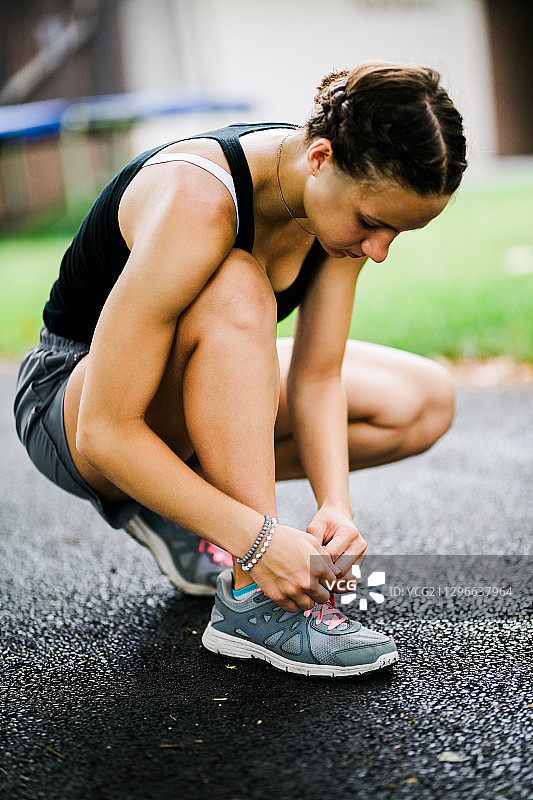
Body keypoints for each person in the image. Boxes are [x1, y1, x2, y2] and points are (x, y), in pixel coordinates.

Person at [14, 61, 467, 677]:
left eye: (397, 233)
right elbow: (106, 429)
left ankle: (179, 507)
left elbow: (317, 377)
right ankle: (252, 598)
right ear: (320, 158)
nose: (378, 250)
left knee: (422, 400)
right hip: (69, 406)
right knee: (236, 285)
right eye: (372, 224)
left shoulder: (333, 209)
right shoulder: (197, 198)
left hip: (172, 398)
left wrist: (335, 505)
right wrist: (259, 541)